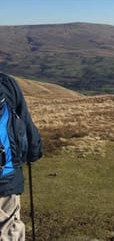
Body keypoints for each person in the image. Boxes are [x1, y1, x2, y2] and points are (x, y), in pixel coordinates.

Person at [0, 73, 42, 241]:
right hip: (5, 179)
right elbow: (25, 123)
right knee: (8, 231)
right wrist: (34, 151)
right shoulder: (6, 84)